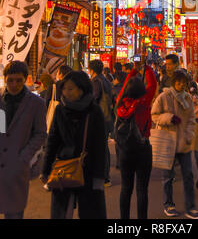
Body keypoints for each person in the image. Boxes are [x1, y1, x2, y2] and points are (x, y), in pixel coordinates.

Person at [40, 71, 107, 219]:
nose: (66, 92)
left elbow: (100, 146)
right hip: (64, 168)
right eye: (64, 89)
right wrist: (45, 170)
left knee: (90, 212)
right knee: (62, 213)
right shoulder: (60, 109)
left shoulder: (94, 111)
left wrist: (100, 177)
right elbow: (53, 140)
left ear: (81, 89)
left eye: (70, 89)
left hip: (88, 169)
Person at [151, 69, 198, 220]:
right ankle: (169, 205)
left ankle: (191, 207)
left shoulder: (188, 98)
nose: (181, 84)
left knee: (188, 175)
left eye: (183, 82)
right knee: (167, 176)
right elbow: (154, 116)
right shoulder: (164, 97)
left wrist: (189, 135)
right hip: (168, 142)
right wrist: (169, 118)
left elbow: (192, 120)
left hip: (184, 143)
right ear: (174, 82)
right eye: (178, 81)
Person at [0, 61, 47, 219]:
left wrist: (24, 157)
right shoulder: (1, 101)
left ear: (26, 79)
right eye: (10, 80)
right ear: (5, 79)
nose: (14, 84)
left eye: (18, 80)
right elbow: (1, 129)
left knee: (14, 213)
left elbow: (40, 133)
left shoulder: (36, 104)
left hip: (17, 167)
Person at [116, 62, 157, 219]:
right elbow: (152, 84)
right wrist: (146, 69)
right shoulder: (144, 102)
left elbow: (127, 84)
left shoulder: (121, 102)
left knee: (125, 189)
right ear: (142, 90)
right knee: (142, 190)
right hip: (143, 149)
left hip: (125, 150)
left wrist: (133, 71)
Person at [88, 59, 113, 187]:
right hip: (107, 117)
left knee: (100, 148)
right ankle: (103, 175)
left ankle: (104, 177)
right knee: (103, 147)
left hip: (99, 118)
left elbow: (93, 98)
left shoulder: (96, 81)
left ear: (91, 70)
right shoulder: (106, 80)